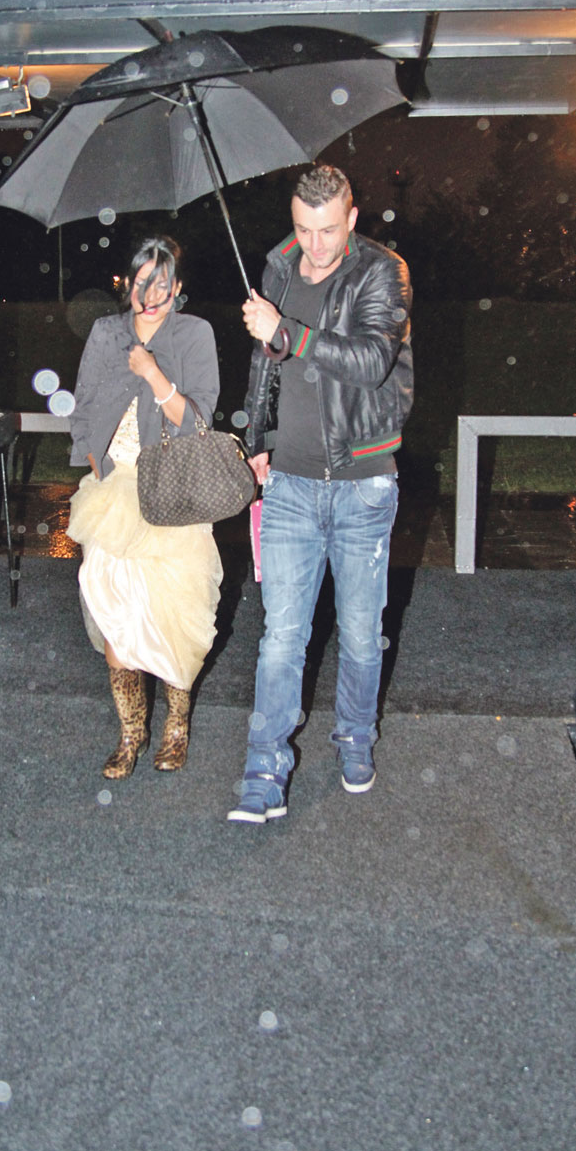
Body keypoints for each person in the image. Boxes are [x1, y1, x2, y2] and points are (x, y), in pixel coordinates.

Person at [227, 165, 413, 824]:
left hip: (363, 484)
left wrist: (286, 331)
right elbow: (263, 363)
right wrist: (255, 435)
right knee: (282, 636)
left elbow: (371, 361)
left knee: (361, 634)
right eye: (304, 229)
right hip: (289, 484)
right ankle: (264, 770)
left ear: (351, 219)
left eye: (328, 230)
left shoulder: (382, 272)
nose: (315, 243)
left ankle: (355, 737)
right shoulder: (278, 266)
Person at [67, 236, 222, 779]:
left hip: (172, 490)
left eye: (162, 284)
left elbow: (199, 421)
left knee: (174, 616)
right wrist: (95, 461)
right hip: (113, 495)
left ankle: (176, 728)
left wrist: (154, 374)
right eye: (141, 283)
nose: (150, 295)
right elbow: (84, 406)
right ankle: (130, 733)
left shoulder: (194, 334)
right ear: (127, 285)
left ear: (177, 287)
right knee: (115, 616)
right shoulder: (106, 333)